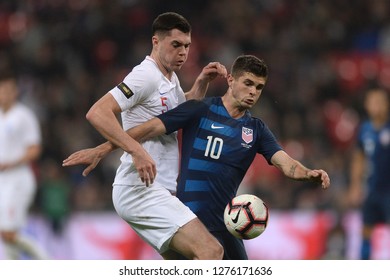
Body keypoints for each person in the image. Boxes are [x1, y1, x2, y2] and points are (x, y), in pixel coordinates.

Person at [64, 54, 330, 259]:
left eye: (259, 87)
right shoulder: (200, 110)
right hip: (186, 218)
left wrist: (307, 173)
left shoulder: (256, 130)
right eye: (248, 83)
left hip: (228, 222)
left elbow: (285, 162)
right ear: (231, 80)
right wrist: (103, 148)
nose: (253, 92)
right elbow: (148, 128)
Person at [65, 12, 227, 260]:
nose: (183, 52)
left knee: (186, 263)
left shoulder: (169, 77)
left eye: (186, 46)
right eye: (175, 45)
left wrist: (201, 83)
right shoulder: (145, 75)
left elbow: (177, 114)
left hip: (154, 187)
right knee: (211, 251)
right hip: (139, 189)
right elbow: (98, 112)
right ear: (156, 42)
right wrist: (137, 151)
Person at [0, 71, 48, 260]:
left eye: (8, 90)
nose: (4, 93)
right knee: (6, 234)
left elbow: (34, 149)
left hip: (18, 179)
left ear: (15, 92)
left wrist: (10, 163)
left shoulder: (24, 116)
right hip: (3, 181)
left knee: (9, 233)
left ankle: (48, 263)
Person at [348, 87, 390, 260]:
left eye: (379, 102)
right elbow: (359, 158)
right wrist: (355, 186)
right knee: (366, 229)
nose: (376, 106)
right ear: (366, 105)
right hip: (372, 189)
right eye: (372, 102)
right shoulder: (364, 129)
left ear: (387, 105)